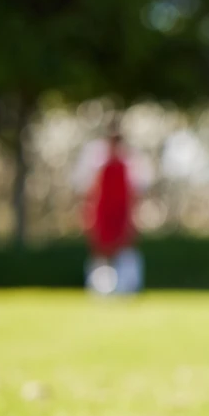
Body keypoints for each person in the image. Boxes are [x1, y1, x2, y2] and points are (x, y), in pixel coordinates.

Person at [82, 123, 142, 295]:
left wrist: (132, 219)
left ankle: (128, 286)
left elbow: (132, 194)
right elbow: (93, 193)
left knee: (124, 250)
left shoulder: (127, 166)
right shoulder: (99, 166)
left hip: (121, 214)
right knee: (101, 252)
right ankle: (98, 287)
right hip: (104, 214)